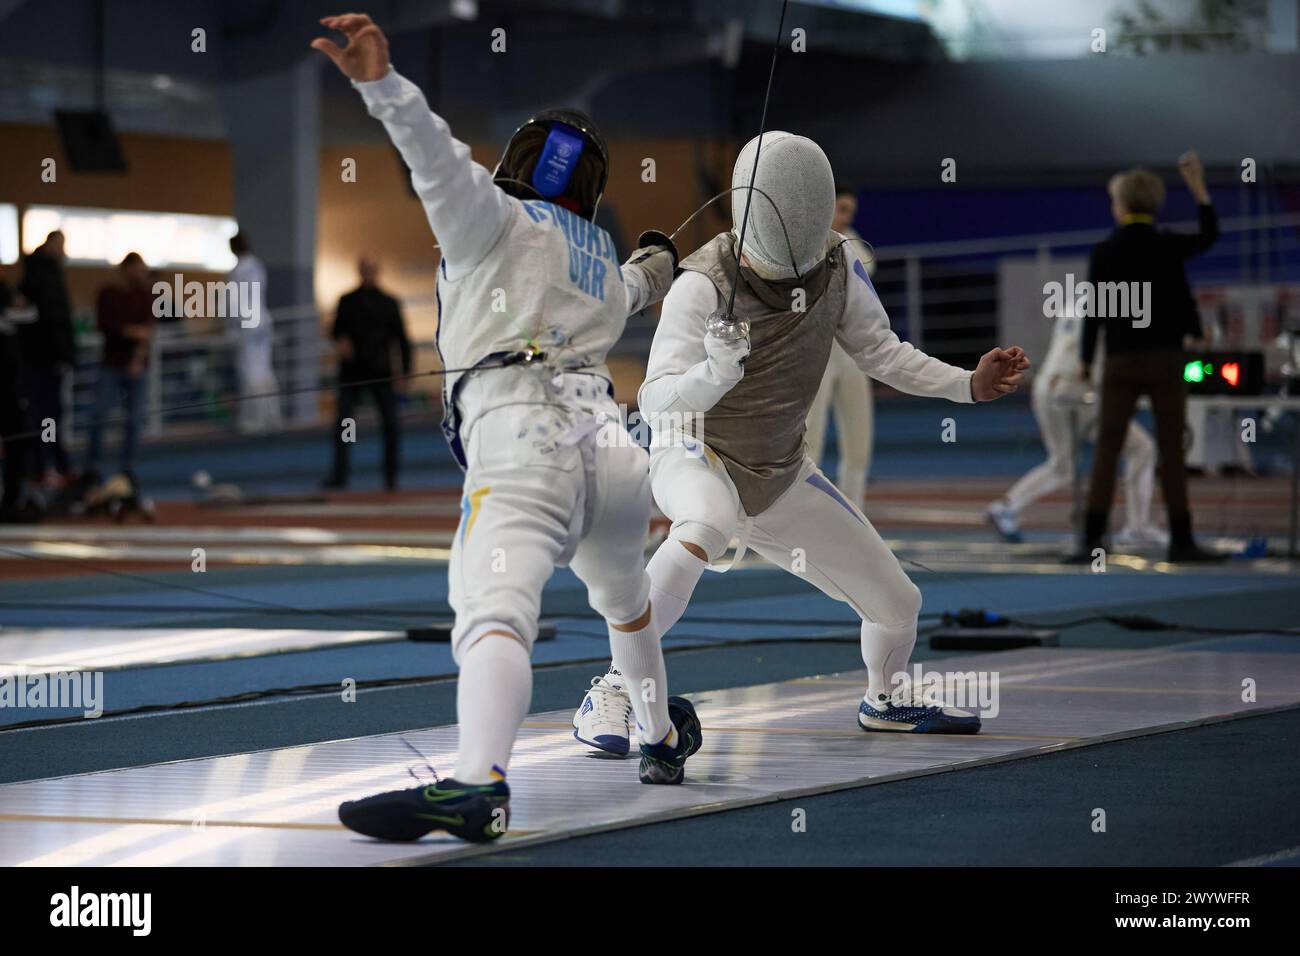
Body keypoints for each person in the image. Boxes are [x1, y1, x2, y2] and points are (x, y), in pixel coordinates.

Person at [312, 12, 695, 844]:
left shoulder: (485, 216)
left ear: (518, 163)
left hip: (524, 439)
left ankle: (478, 785)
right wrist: (664, 261)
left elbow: (431, 153)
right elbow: (636, 285)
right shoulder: (595, 250)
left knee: (494, 611)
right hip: (615, 452)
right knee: (626, 608)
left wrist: (379, 82)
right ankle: (660, 739)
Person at [573, 132, 1029, 753]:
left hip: (780, 470)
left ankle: (886, 699)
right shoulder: (701, 284)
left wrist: (967, 385)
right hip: (693, 450)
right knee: (706, 520)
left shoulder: (839, 265)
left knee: (899, 604)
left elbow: (882, 352)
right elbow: (655, 403)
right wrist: (715, 371)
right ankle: (615, 687)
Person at [1072, 150, 1222, 563]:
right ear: (1154, 204)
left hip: (1120, 361)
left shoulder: (1104, 251)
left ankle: (1090, 540)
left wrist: (1086, 360)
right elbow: (1209, 236)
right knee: (1172, 447)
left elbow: (1094, 313)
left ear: (1120, 204)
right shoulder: (1168, 245)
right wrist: (1198, 188)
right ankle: (1182, 539)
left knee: (1107, 447)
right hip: (1166, 359)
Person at [986, 301, 1164, 549]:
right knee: (1141, 448)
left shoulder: (1080, 301)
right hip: (1077, 393)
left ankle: (1006, 507)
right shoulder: (1118, 306)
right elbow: (1108, 362)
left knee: (1062, 465)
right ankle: (1137, 528)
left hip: (1047, 387)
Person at [805, 186, 874, 506]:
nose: (845, 217)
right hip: (815, 355)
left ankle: (854, 514)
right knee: (810, 440)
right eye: (841, 209)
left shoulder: (860, 249)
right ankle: (805, 513)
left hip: (851, 356)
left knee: (858, 440)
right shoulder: (804, 245)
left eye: (850, 211)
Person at [324, 256, 411, 491]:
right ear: (360, 271)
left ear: (377, 271)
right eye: (365, 269)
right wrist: (341, 340)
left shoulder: (389, 303)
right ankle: (340, 475)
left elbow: (401, 341)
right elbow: (335, 330)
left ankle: (390, 477)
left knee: (390, 425)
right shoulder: (347, 301)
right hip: (352, 374)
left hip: (380, 373)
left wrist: (405, 373)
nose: (368, 273)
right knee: (346, 425)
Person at [85, 252, 155, 479]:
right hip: (111, 364)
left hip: (136, 366)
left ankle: (127, 469)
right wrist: (129, 330)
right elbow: (106, 326)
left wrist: (136, 359)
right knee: (99, 414)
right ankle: (93, 467)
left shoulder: (146, 295)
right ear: (127, 269)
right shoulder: (108, 294)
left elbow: (147, 332)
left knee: (133, 420)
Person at [18, 230, 75, 486]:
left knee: (44, 416)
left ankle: (47, 465)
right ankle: (46, 466)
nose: (64, 252)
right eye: (62, 246)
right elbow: (55, 320)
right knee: (47, 416)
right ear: (52, 245)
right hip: (45, 359)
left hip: (41, 358)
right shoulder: (44, 277)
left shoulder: (37, 274)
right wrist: (63, 355)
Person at [227, 231, 282, 434]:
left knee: (249, 373)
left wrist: (232, 328)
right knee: (264, 371)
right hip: (263, 322)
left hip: (247, 325)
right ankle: (272, 416)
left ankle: (255, 420)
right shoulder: (258, 266)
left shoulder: (238, 271)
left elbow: (234, 303)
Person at [0, 275, 39, 522]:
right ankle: (11, 498)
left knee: (17, 444)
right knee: (16, 443)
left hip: (11, 391)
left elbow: (31, 312)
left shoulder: (12, 326)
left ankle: (12, 498)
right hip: (8, 391)